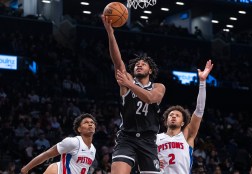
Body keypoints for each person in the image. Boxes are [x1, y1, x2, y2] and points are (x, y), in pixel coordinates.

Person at [102, 15, 166, 174]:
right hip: (127, 138)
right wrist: (110, 33)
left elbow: (150, 98)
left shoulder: (158, 86)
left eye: (143, 64)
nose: (139, 65)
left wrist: (129, 84)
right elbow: (118, 62)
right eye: (137, 64)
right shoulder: (127, 80)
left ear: (150, 71)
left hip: (149, 140)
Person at [156, 60, 213, 173]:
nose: (173, 116)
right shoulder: (156, 138)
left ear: (183, 123)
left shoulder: (187, 137)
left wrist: (202, 82)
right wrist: (153, 162)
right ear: (166, 121)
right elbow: (142, 160)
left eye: (177, 115)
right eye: (171, 115)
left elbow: (200, 110)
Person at [21, 113, 97, 174]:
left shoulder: (93, 150)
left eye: (92, 122)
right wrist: (26, 168)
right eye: (86, 122)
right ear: (79, 129)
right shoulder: (73, 142)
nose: (90, 124)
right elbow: (47, 154)